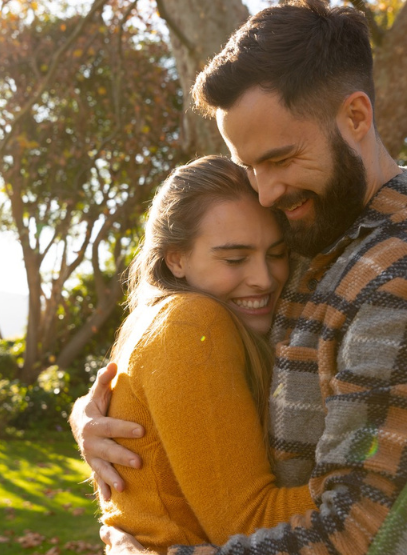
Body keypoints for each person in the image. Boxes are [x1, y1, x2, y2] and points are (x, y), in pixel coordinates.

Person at [71, 1, 407, 554]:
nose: (265, 193)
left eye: (280, 158)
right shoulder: (321, 237)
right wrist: (102, 415)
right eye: (251, 166)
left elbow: (356, 538)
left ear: (356, 117)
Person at [96, 155, 315, 551]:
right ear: (176, 259)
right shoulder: (191, 323)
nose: (264, 278)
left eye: (277, 254)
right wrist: (387, 482)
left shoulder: (159, 320)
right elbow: (251, 525)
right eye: (234, 259)